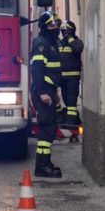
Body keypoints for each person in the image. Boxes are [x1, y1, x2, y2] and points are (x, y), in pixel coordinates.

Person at [30, 11, 63, 178]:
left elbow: (52, 71)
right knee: (47, 128)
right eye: (51, 25)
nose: (55, 28)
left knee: (50, 128)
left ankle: (46, 163)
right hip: (42, 91)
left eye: (56, 25)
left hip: (49, 90)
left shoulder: (51, 43)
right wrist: (43, 92)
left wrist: (55, 92)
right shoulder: (41, 44)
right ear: (43, 27)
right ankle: (41, 167)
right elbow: (37, 70)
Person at [58, 20, 84, 130]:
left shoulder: (77, 42)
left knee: (72, 101)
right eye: (63, 31)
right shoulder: (60, 43)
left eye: (67, 31)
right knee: (66, 100)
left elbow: (77, 49)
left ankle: (71, 123)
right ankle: (75, 120)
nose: (64, 33)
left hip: (73, 78)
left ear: (72, 31)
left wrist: (70, 39)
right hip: (62, 78)